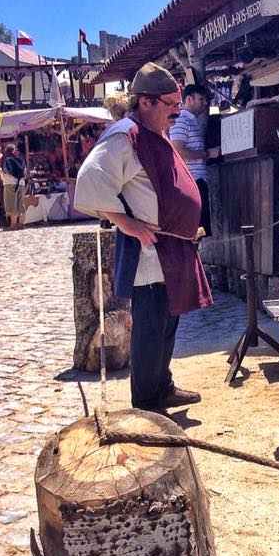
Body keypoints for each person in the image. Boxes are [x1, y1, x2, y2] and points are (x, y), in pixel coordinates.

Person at [75, 62, 212, 413]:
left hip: (173, 247)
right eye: (171, 103)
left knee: (169, 321)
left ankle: (162, 386)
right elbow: (91, 179)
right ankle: (147, 406)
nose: (177, 110)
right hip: (149, 253)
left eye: (178, 103)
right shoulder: (125, 135)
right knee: (150, 328)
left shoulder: (156, 132)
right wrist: (127, 223)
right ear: (146, 102)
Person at [169, 83, 213, 236]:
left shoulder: (193, 121)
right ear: (189, 99)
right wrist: (206, 154)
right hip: (191, 181)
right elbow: (178, 151)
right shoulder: (181, 120)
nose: (205, 103)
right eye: (201, 99)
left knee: (200, 231)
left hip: (197, 180)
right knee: (194, 231)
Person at [1, 143, 27, 230]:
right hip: (21, 183)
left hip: (10, 184)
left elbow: (7, 172)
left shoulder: (7, 159)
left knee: (12, 205)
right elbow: (25, 173)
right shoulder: (20, 159)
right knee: (21, 204)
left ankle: (13, 225)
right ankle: (21, 224)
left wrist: (0, 171)